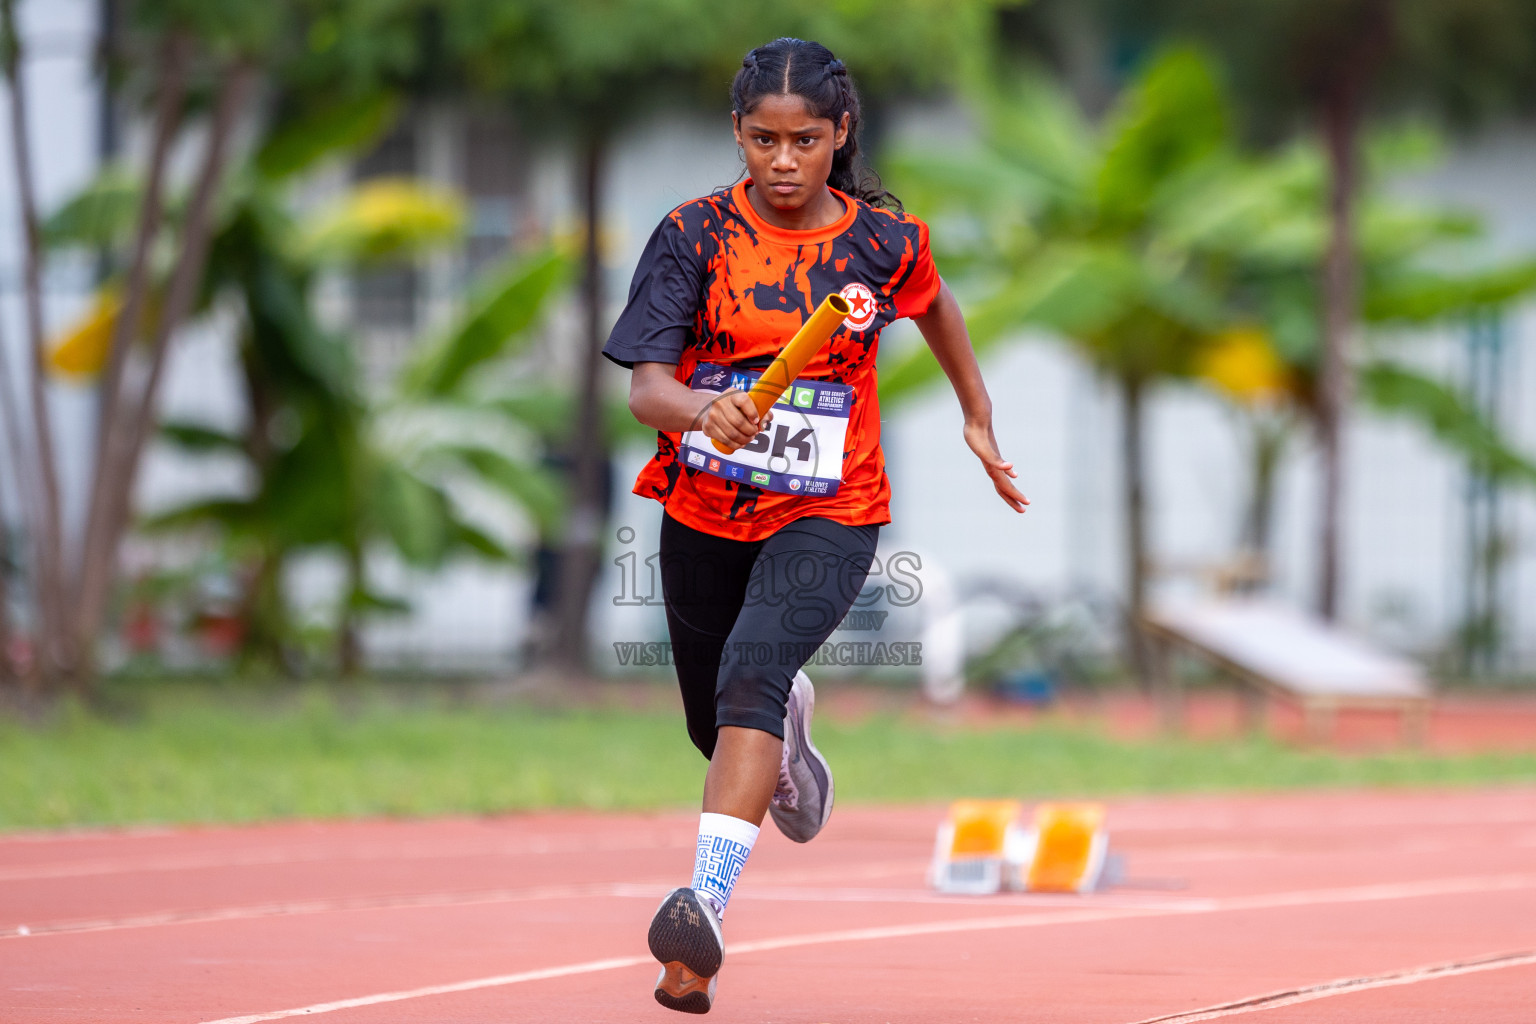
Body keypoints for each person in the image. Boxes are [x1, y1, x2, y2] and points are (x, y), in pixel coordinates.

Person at [602, 37, 1028, 1014]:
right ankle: (784, 742)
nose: (783, 161)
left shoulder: (884, 244)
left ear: (840, 135)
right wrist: (703, 411)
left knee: (752, 669)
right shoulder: (692, 235)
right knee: (714, 723)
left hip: (832, 513)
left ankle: (699, 918)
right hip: (704, 504)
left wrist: (975, 410)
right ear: (738, 136)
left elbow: (939, 306)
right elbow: (647, 389)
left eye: (804, 140)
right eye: (762, 140)